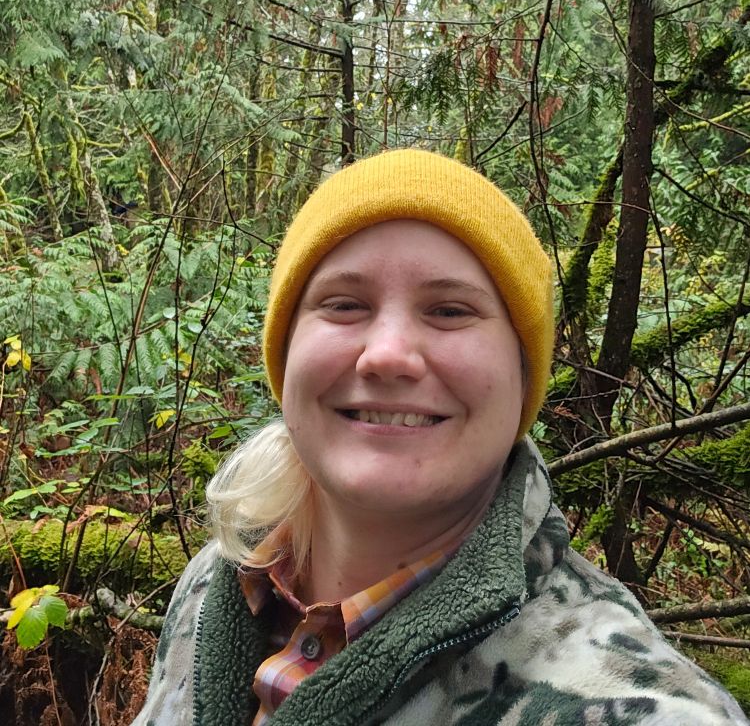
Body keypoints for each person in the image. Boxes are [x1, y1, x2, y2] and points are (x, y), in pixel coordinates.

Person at [132, 149, 748, 726]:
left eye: (451, 310)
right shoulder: (219, 581)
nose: (388, 355)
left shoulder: (635, 704)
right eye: (344, 304)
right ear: (286, 354)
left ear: (522, 376)